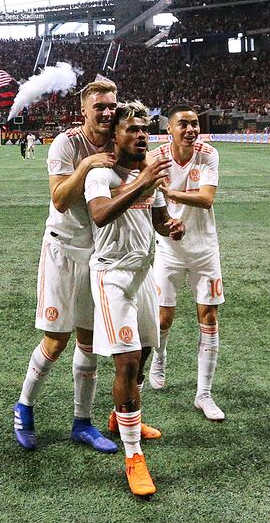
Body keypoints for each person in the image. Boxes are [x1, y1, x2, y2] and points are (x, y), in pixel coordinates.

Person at [11, 78, 121, 455]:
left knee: (90, 342)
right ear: (84, 110)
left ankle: (82, 422)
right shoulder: (67, 143)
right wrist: (89, 164)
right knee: (57, 340)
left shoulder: (119, 140)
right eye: (100, 107)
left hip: (99, 254)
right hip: (62, 250)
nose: (107, 113)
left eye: (111, 106)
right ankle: (24, 407)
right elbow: (59, 199)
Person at [84, 101, 182, 498]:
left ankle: (120, 415)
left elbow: (157, 219)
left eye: (145, 130)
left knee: (141, 358)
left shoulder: (148, 175)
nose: (142, 136)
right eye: (132, 130)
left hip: (143, 275)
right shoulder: (100, 173)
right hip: (111, 277)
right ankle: (133, 457)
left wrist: (170, 225)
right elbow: (101, 214)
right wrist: (143, 181)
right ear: (115, 136)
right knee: (125, 362)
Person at [150, 107, 225, 420]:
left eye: (195, 123)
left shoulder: (208, 154)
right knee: (164, 319)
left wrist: (171, 193)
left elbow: (207, 199)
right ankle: (159, 358)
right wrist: (167, 221)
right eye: (184, 124)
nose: (191, 129)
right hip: (168, 248)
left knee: (208, 316)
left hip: (204, 249)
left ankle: (204, 395)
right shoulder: (155, 159)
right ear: (170, 128)